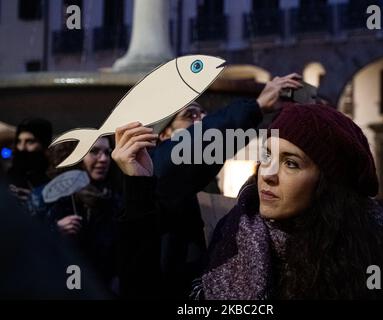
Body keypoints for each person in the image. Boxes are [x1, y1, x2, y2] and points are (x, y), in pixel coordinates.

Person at [112, 74, 302, 298]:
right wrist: (257, 107)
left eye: (203, 114)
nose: (202, 120)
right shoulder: (157, 167)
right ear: (164, 134)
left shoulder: (199, 179)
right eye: (190, 115)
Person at [190, 102, 383, 299]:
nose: (267, 175)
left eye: (290, 163)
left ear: (327, 185)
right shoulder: (233, 230)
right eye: (267, 156)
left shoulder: (370, 249)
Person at [48, 137, 122, 293]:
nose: (103, 159)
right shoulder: (54, 196)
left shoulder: (112, 198)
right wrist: (54, 230)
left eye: (107, 153)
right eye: (94, 152)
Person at [6, 118, 53, 218]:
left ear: (43, 144)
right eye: (19, 141)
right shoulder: (9, 175)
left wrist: (36, 199)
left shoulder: (53, 177)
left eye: (30, 142)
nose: (22, 148)